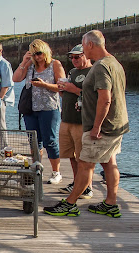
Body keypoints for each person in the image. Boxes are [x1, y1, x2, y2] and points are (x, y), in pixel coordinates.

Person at [44, 30, 129, 218]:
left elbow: (105, 99)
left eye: (83, 45)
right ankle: (111, 203)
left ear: (90, 45)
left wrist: (96, 127)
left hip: (103, 127)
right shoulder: (115, 63)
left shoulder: (100, 67)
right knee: (109, 163)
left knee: (85, 164)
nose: (82, 49)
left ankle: (70, 204)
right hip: (117, 123)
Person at [13, 39, 65, 184]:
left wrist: (44, 85)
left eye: (39, 54)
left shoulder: (55, 64)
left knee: (50, 140)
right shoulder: (30, 66)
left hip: (49, 108)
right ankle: (37, 169)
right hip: (31, 109)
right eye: (34, 54)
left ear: (46, 52)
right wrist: (24, 62)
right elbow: (16, 78)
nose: (37, 57)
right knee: (34, 142)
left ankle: (56, 172)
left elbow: (62, 86)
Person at [57, 44, 93, 198]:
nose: (74, 60)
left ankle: (87, 187)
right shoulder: (71, 72)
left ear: (87, 55)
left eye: (77, 56)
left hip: (82, 122)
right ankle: (77, 182)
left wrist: (74, 89)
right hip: (67, 119)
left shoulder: (92, 72)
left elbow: (94, 96)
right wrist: (63, 91)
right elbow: (69, 95)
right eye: (72, 57)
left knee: (83, 157)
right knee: (71, 155)